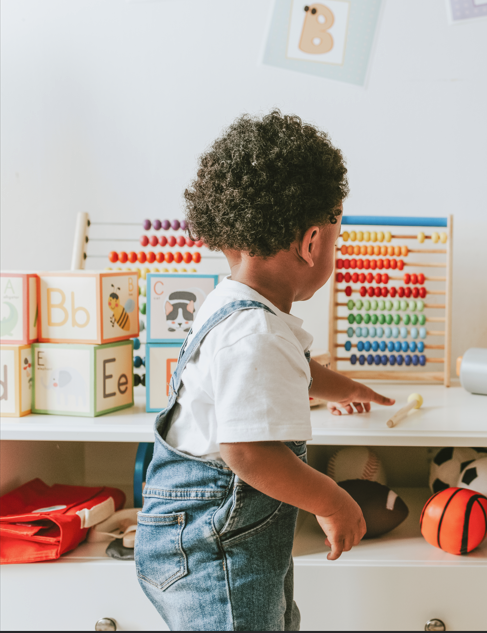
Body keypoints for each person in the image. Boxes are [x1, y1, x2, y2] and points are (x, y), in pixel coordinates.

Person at [135, 110, 394, 631]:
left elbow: (293, 367)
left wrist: (340, 388)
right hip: (217, 549)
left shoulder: (234, 306)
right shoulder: (255, 334)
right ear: (313, 242)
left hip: (221, 537)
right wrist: (334, 501)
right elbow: (250, 453)